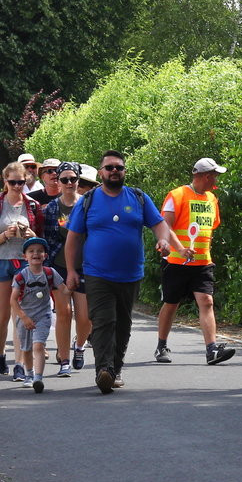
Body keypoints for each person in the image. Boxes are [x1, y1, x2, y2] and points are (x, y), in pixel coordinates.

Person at [64, 150, 190, 394]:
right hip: (97, 274)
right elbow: (73, 238)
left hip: (131, 274)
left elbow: (160, 225)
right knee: (102, 321)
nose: (114, 171)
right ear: (101, 172)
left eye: (118, 168)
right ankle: (104, 370)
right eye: (109, 167)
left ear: (124, 172)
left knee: (123, 324)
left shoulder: (138, 198)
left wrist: (164, 242)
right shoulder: (89, 200)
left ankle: (115, 369)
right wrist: (71, 270)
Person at [154, 158, 236, 365]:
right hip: (176, 262)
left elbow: (210, 228)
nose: (216, 180)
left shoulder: (212, 199)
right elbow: (165, 226)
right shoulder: (177, 195)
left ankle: (211, 350)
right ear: (205, 176)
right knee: (171, 304)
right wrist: (180, 249)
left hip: (202, 263)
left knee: (207, 302)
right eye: (214, 176)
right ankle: (161, 346)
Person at [0, 161, 44, 381]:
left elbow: (40, 239)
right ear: (5, 181)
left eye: (21, 181)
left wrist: (29, 234)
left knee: (21, 315)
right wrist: (6, 235)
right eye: (13, 182)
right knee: (2, 315)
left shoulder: (33, 205)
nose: (17, 186)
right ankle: (0, 352)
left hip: (24, 263)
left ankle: (19, 363)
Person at [43, 161, 92, 375]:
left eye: (73, 179)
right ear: (59, 182)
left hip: (85, 267)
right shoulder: (52, 208)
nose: (69, 183)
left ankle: (79, 347)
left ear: (78, 181)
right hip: (60, 268)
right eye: (65, 179)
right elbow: (47, 241)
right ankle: (64, 361)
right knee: (64, 313)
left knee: (85, 317)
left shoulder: (88, 205)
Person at [10, 237, 67, 393]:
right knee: (27, 349)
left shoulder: (50, 273)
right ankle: (29, 374)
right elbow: (13, 301)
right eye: (31, 251)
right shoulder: (21, 276)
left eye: (40, 251)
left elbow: (64, 289)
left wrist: (75, 287)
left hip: (43, 315)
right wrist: (23, 317)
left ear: (45, 256)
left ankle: (38, 378)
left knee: (38, 345)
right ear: (25, 256)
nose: (36, 254)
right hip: (24, 317)